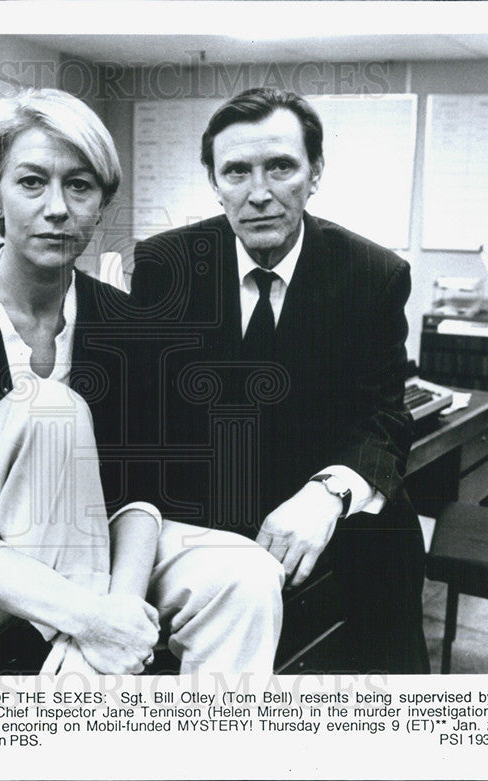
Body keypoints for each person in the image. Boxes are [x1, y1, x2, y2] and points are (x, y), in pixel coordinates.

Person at [0, 88, 284, 675]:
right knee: (47, 406)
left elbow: (141, 490)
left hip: (87, 544)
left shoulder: (127, 321)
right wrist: (88, 620)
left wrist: (118, 604)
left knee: (248, 575)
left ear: (100, 204)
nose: (57, 207)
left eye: (80, 186)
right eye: (32, 182)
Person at [131, 87, 430, 674]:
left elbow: (385, 418)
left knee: (390, 551)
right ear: (214, 182)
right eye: (236, 172)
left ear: (315, 173)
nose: (259, 193)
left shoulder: (372, 275)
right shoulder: (166, 265)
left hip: (322, 502)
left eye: (281, 168)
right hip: (210, 506)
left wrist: (329, 493)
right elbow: (148, 420)